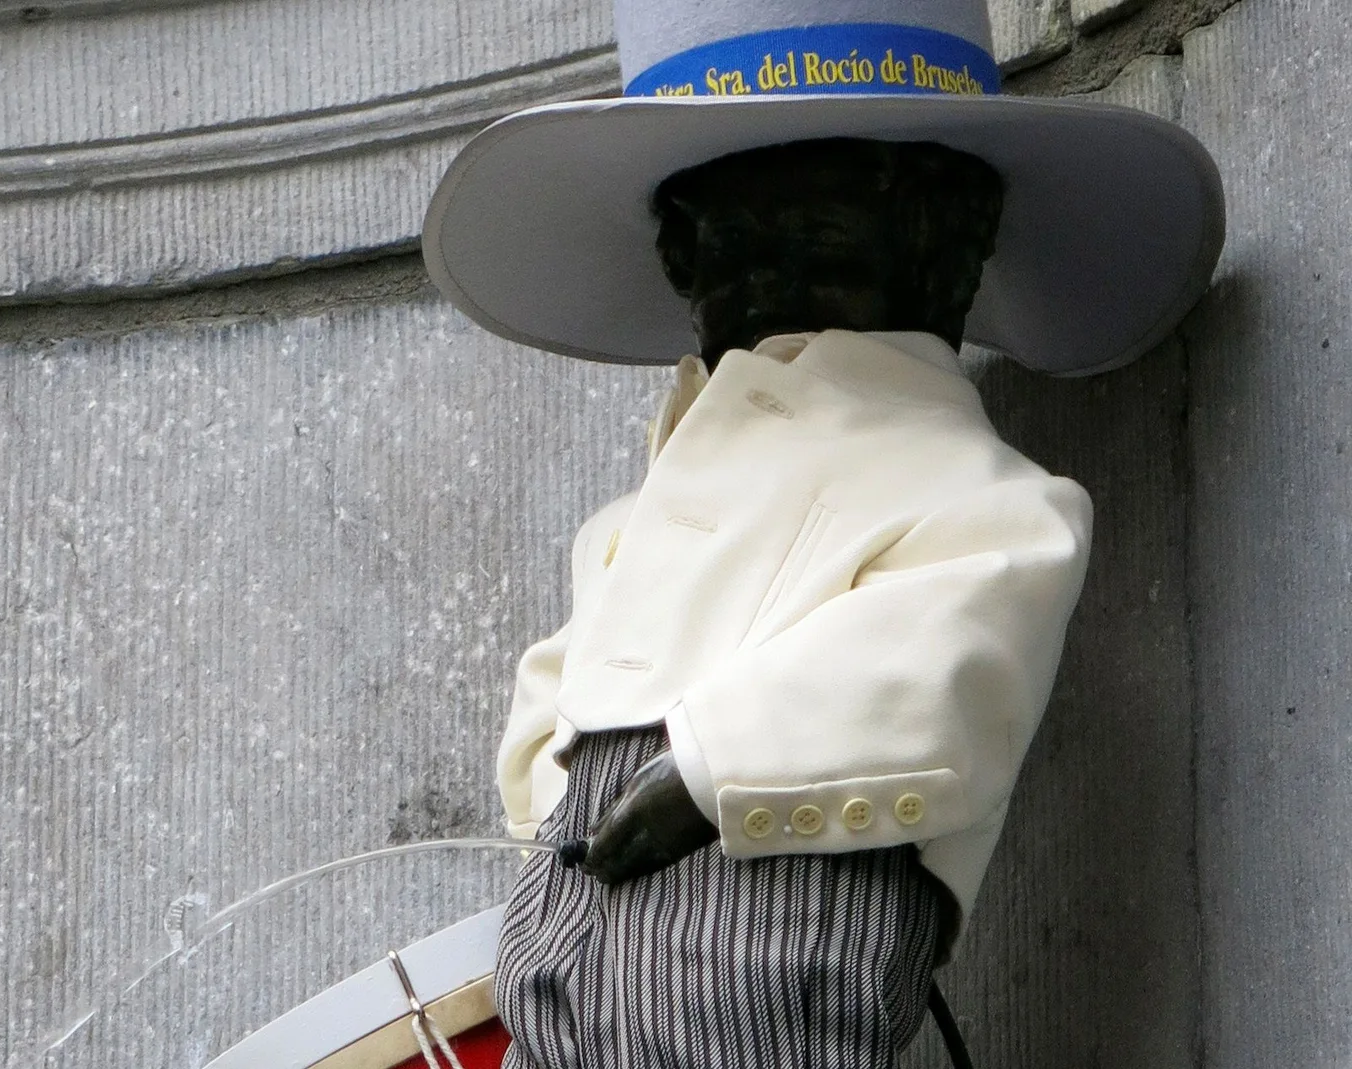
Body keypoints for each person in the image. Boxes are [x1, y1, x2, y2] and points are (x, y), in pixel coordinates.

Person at [420, 1, 1224, 1065]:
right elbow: (553, 682)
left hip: (761, 935)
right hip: (573, 927)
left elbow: (937, 665)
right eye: (716, 256)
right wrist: (552, 788)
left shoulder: (980, 496)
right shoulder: (631, 525)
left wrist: (712, 768)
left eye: (813, 245)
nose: (756, 284)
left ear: (940, 248)